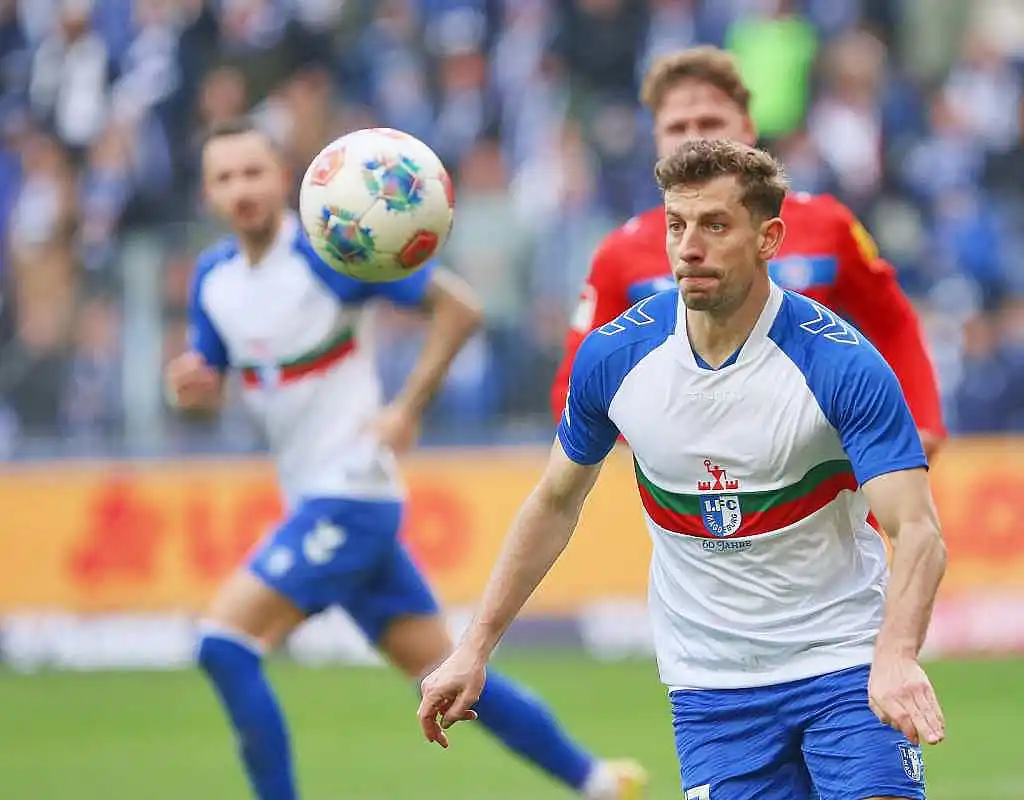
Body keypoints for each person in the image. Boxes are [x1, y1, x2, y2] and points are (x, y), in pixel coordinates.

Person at [418, 139, 947, 800]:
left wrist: (896, 656)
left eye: (715, 226)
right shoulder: (614, 358)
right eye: (677, 225)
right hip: (711, 692)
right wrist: (473, 649)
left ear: (768, 238)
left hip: (845, 667)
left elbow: (918, 530)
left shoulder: (841, 364)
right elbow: (554, 503)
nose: (689, 248)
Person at [165, 118, 647, 800]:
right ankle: (599, 782)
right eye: (224, 177)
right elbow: (208, 391)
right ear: (208, 191)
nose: (241, 188)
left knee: (223, 644)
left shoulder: (333, 250)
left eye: (253, 172)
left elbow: (460, 309)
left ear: (286, 179)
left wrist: (407, 408)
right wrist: (188, 390)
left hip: (351, 493)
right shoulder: (214, 279)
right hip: (315, 496)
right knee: (448, 674)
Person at [550, 46, 945, 461]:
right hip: (695, 487)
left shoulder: (828, 226)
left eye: (711, 122)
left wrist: (921, 424)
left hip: (817, 473)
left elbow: (893, 323)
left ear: (748, 130)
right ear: (657, 142)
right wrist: (654, 461)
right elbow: (577, 385)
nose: (695, 139)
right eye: (677, 127)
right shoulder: (621, 253)